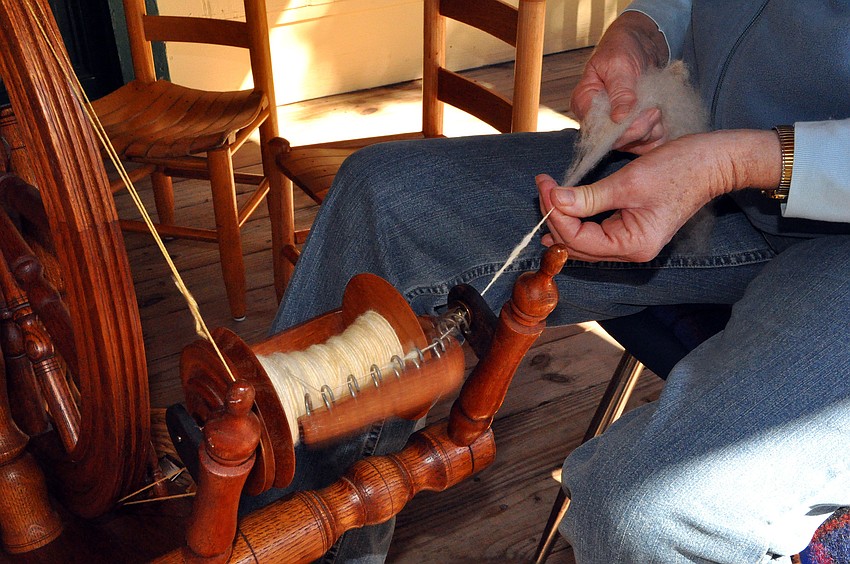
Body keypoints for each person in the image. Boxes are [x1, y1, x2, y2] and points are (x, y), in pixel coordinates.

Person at [267, 0, 850, 561]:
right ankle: (291, 544)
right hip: (703, 153)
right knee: (380, 197)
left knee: (648, 514)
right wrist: (644, 31)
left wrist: (739, 162)